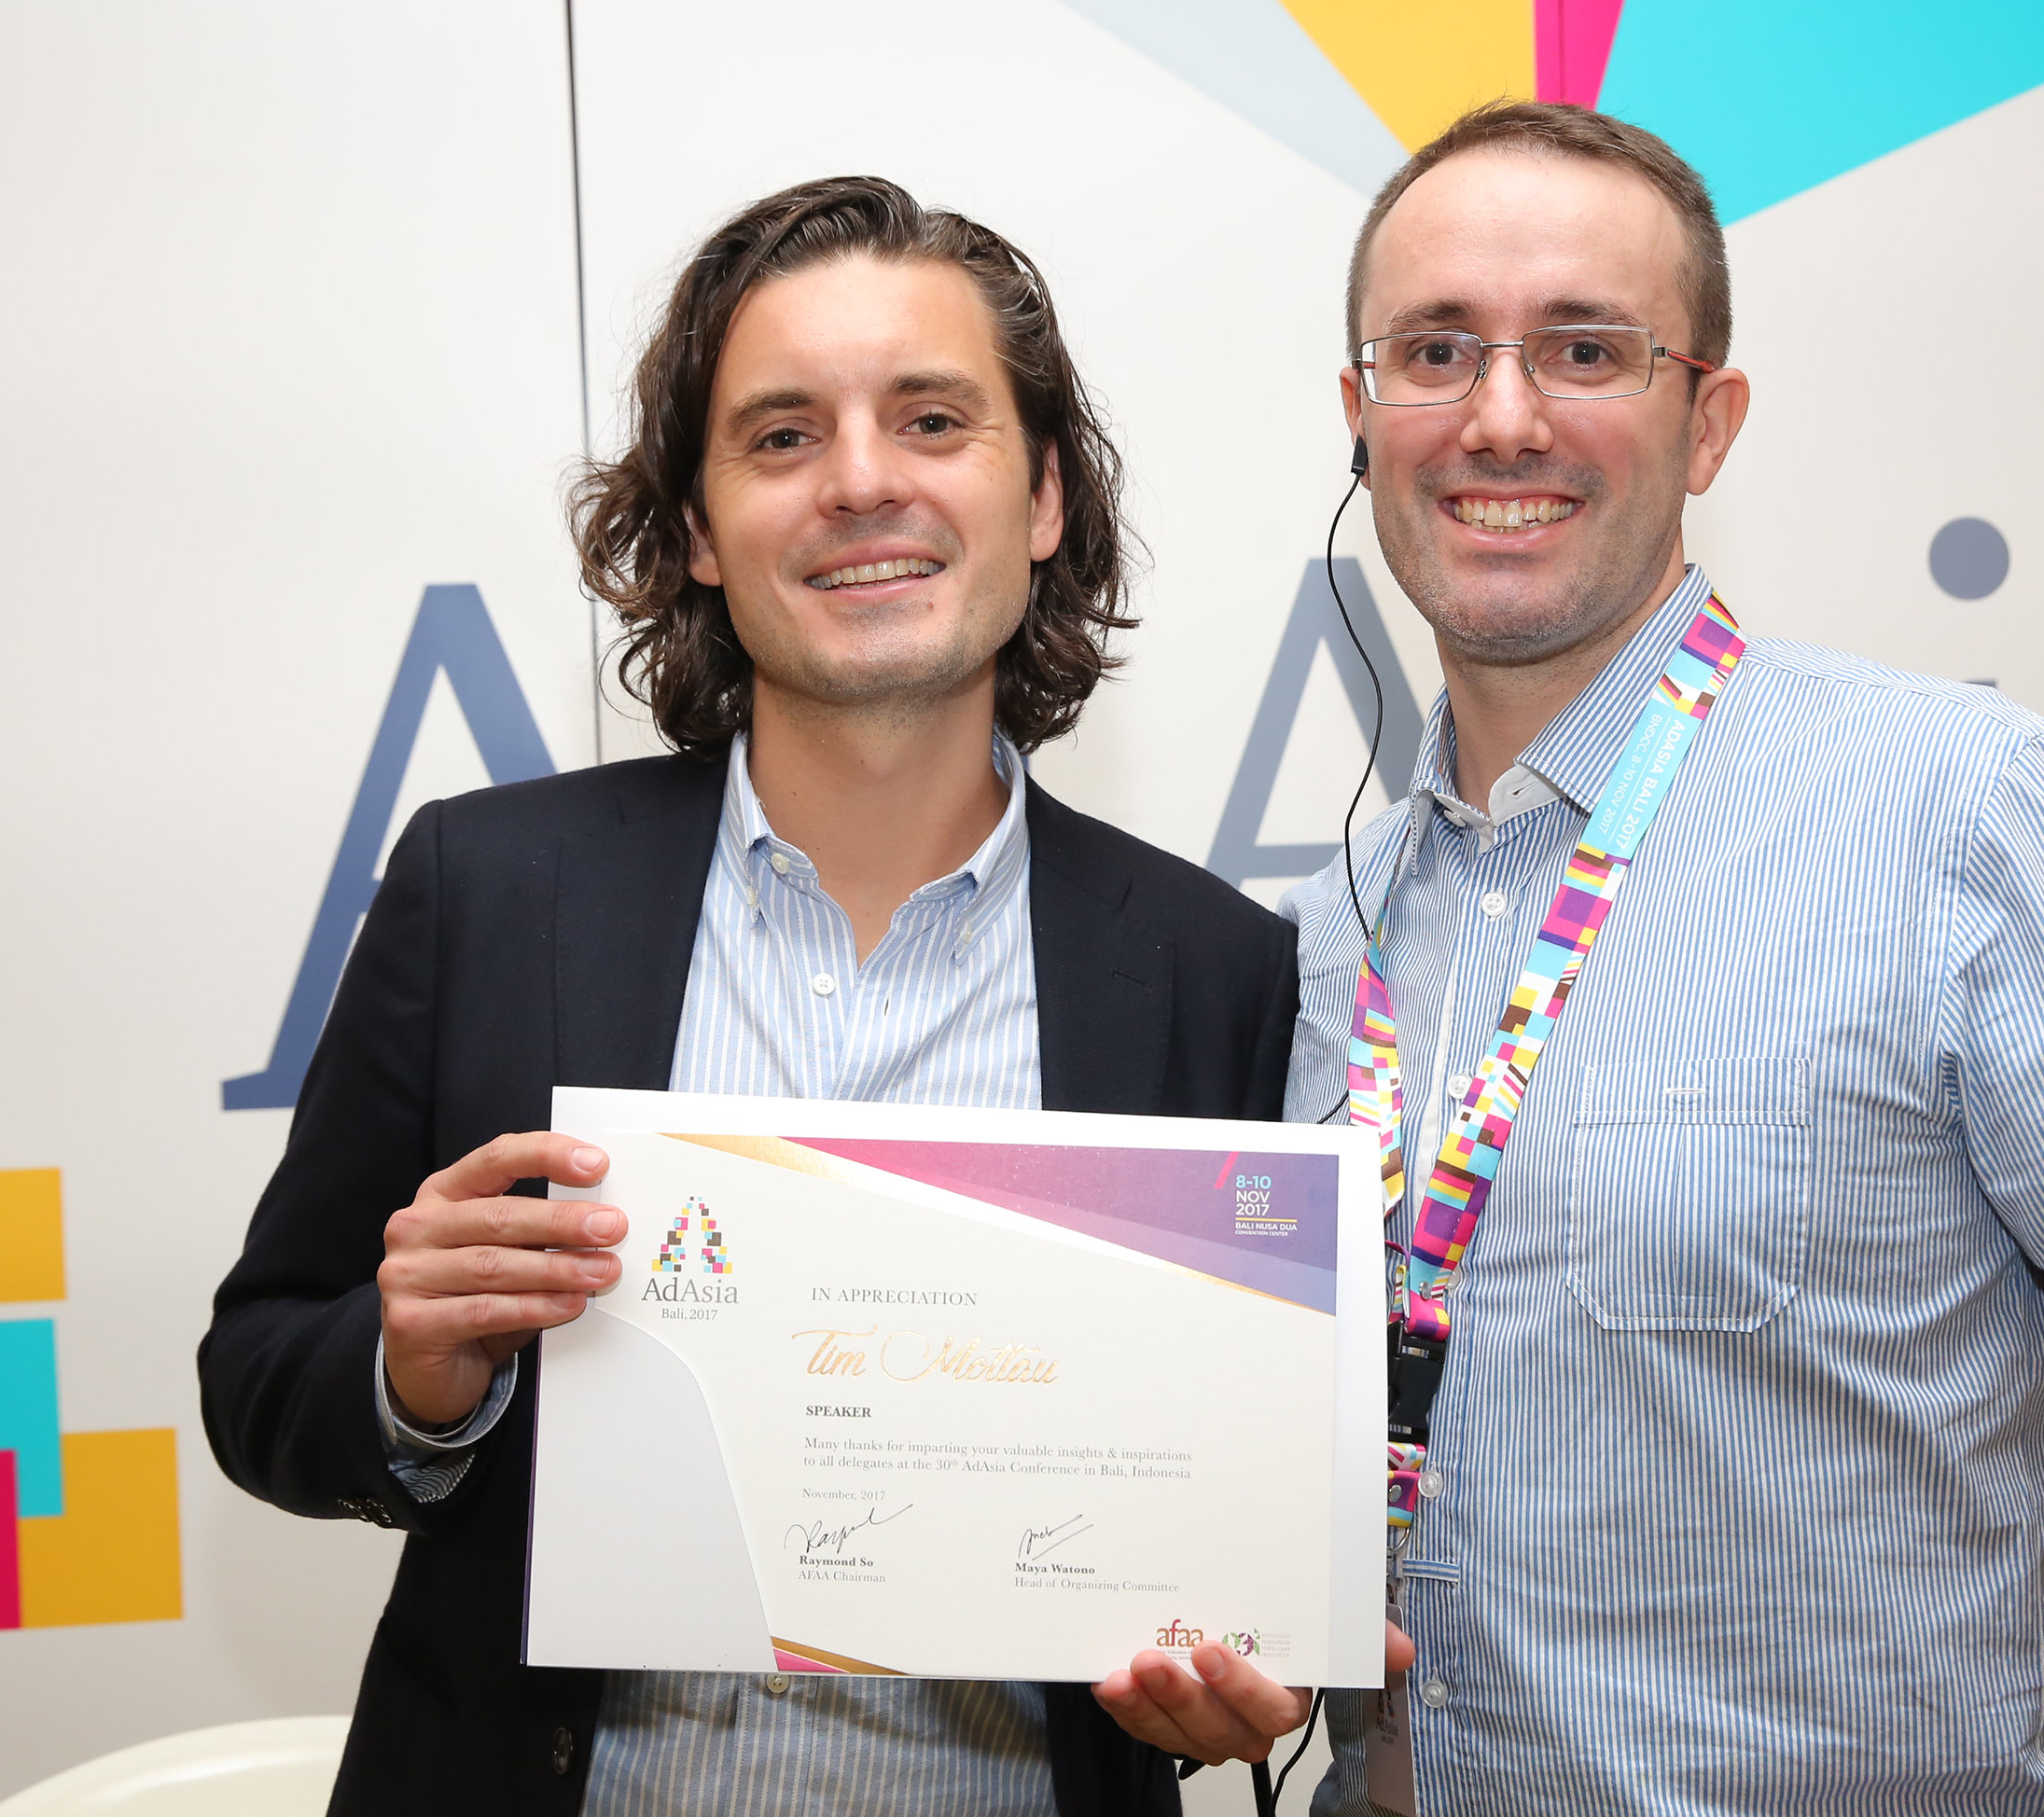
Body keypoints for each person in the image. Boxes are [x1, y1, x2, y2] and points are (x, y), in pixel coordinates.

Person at [1092, 102, 2044, 1817]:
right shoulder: (1331, 939)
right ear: (1361, 413)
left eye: (1586, 350)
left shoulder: (1956, 815)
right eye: (1436, 350)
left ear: (1708, 423)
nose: (1501, 416)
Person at [200, 175, 1299, 1817]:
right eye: (782, 436)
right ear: (701, 531)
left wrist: (1237, 1666)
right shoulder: (486, 894)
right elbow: (261, 1378)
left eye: (932, 420)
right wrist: (410, 1374)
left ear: (1044, 497)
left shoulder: (1216, 972)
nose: (860, 482)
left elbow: (1238, 1507)